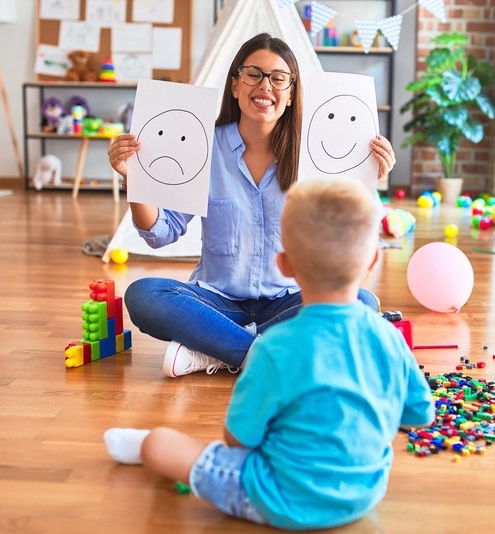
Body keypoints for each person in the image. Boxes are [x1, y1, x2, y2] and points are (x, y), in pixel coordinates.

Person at [103, 178, 435, 530]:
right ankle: (218, 345)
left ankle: (208, 357)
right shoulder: (389, 337)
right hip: (364, 496)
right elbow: (419, 415)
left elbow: (238, 440)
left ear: (285, 265)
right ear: (373, 259)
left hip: (274, 497)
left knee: (160, 444)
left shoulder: (275, 349)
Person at [108, 33, 397, 377]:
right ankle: (265, 355)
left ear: (291, 94)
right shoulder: (204, 145)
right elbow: (161, 234)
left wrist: (368, 181)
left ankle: (217, 351)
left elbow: (343, 236)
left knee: (363, 303)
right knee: (143, 294)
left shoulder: (316, 154)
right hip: (215, 304)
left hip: (290, 300)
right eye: (253, 74)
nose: (265, 86)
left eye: (279, 78)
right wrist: (136, 179)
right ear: (235, 85)